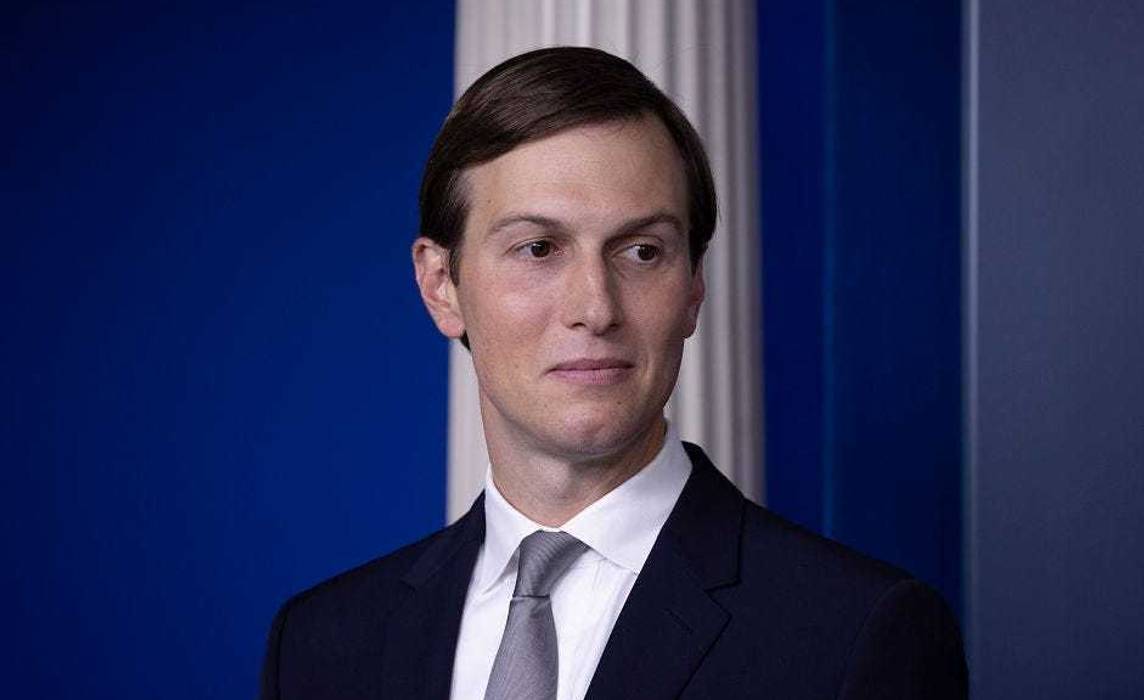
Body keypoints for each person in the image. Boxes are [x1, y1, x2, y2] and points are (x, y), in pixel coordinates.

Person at [260, 46, 967, 700]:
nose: (594, 308)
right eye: (537, 248)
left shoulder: (860, 634)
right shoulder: (323, 645)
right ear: (441, 284)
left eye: (641, 252)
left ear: (692, 288)